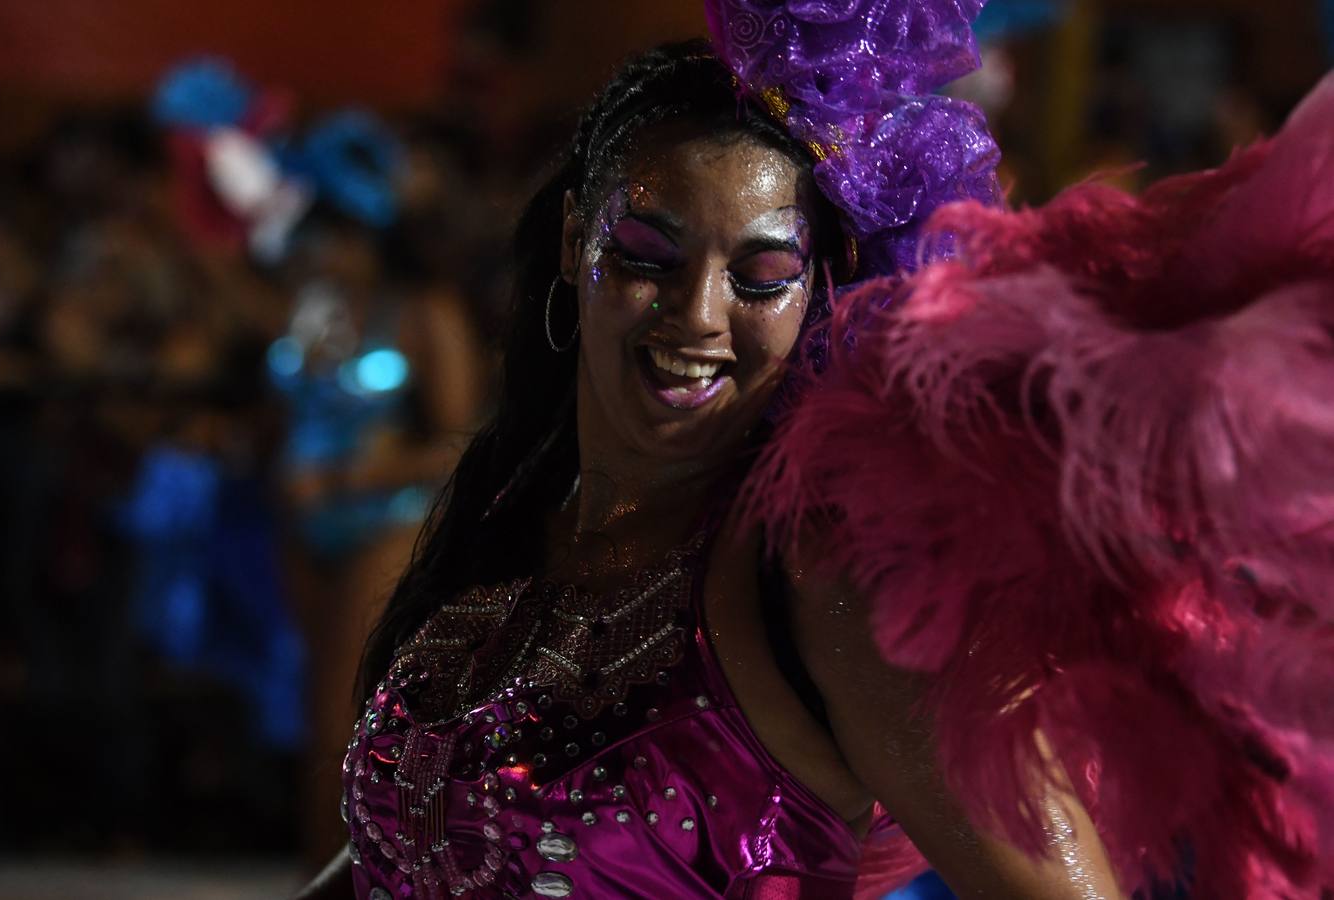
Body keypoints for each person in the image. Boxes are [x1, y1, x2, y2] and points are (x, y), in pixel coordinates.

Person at [293, 34, 1128, 899]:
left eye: (760, 277)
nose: (697, 316)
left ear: (818, 289)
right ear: (578, 238)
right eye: (648, 258)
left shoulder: (817, 577)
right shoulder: (505, 528)